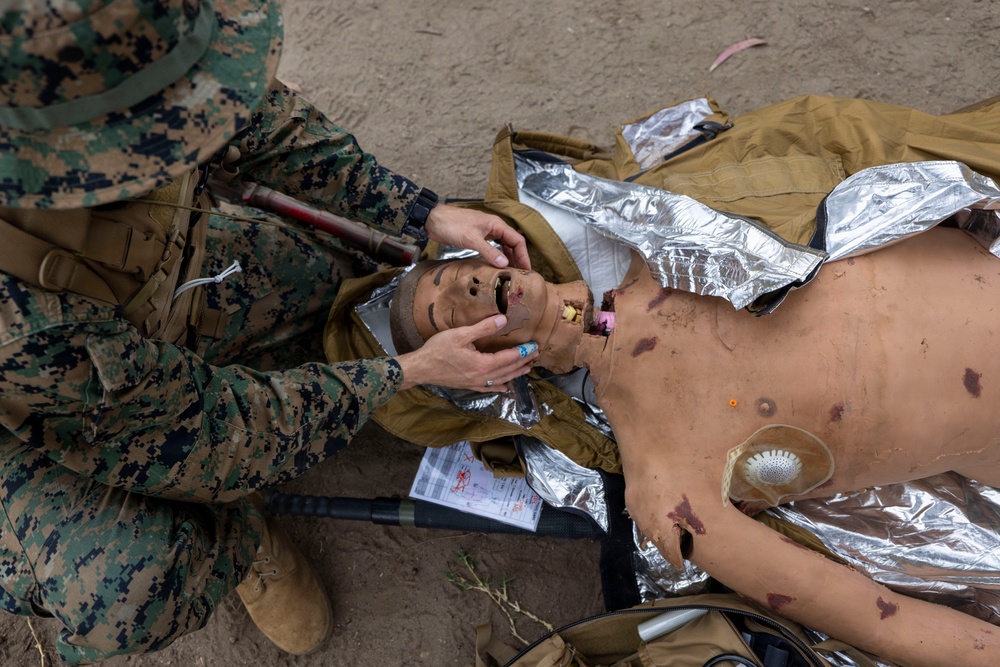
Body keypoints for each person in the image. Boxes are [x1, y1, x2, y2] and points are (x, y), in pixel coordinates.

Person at [0, 0, 539, 662]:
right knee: (131, 581)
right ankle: (234, 534)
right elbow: (204, 429)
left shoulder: (65, 38)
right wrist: (409, 372)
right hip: (32, 432)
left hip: (120, 318)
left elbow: (243, 119)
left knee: (318, 287)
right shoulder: (18, 324)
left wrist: (420, 211)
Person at [388, 226, 1000, 666]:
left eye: (450, 274)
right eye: (446, 316)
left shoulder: (659, 236)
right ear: (485, 372)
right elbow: (873, 615)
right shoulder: (664, 483)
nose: (462, 290)